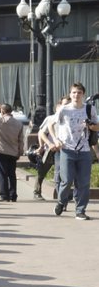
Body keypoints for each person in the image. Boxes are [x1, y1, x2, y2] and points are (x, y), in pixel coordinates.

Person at [53, 82, 99, 220]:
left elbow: (97, 127)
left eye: (79, 93)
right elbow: (52, 125)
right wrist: (56, 140)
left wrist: (90, 126)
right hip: (67, 149)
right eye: (74, 92)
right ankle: (61, 201)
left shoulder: (89, 109)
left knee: (83, 182)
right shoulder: (64, 109)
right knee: (66, 180)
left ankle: (80, 210)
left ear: (83, 94)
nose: (76, 95)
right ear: (70, 94)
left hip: (84, 150)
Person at [33, 96, 70, 201]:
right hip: (50, 149)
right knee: (42, 171)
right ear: (58, 106)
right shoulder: (51, 118)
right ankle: (37, 191)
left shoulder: (71, 117)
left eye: (69, 104)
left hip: (64, 149)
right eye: (65, 104)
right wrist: (43, 145)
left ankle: (63, 195)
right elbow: (41, 133)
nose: (67, 106)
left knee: (63, 173)